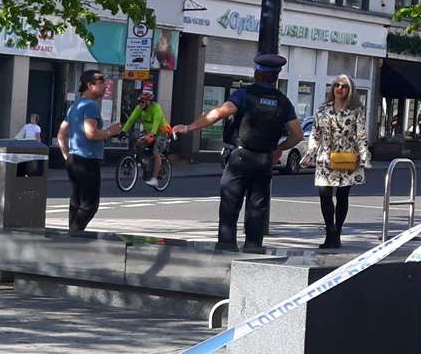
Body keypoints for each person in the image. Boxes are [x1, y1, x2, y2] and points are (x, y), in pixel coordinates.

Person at [176, 54, 302, 253]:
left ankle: (226, 245)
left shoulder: (244, 95)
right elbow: (297, 135)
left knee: (230, 203)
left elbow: (218, 113)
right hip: (264, 160)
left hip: (240, 157)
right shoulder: (283, 102)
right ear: (276, 77)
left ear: (256, 73)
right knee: (257, 206)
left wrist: (189, 127)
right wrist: (278, 149)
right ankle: (253, 246)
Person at [56, 70, 123, 233]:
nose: (105, 85)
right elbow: (91, 133)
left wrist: (67, 156)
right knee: (90, 205)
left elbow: (61, 134)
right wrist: (110, 132)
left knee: (76, 201)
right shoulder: (90, 106)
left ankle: (72, 235)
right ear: (90, 85)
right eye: (101, 83)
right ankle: (73, 235)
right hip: (87, 161)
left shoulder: (75, 106)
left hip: (74, 159)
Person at [309, 75, 370, 250]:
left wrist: (364, 155)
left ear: (350, 90)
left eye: (344, 86)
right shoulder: (323, 109)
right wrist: (310, 156)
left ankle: (338, 233)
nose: (339, 88)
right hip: (326, 157)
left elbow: (361, 134)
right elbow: (315, 134)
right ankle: (330, 231)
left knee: (342, 196)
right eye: (336, 85)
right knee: (324, 194)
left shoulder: (357, 110)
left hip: (347, 157)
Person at [121, 86, 169, 180]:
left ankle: (154, 177)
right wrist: (123, 131)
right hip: (148, 132)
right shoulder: (139, 108)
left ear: (149, 102)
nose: (140, 104)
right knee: (138, 143)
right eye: (139, 101)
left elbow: (156, 122)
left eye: (143, 101)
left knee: (156, 152)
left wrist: (152, 134)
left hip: (161, 132)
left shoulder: (156, 108)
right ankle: (146, 166)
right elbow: (131, 120)